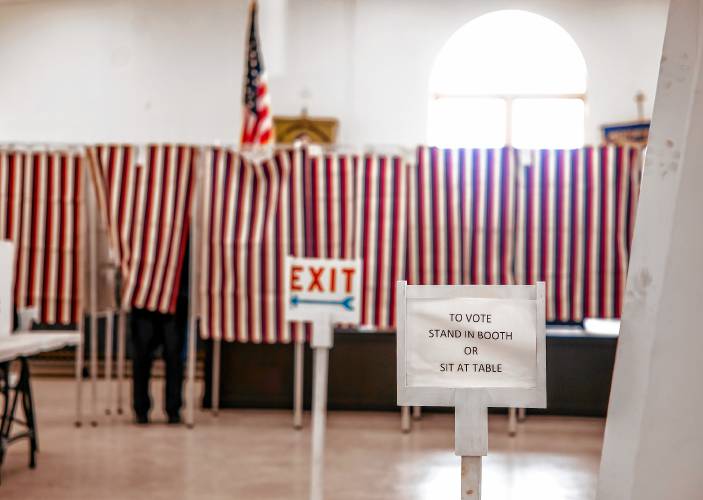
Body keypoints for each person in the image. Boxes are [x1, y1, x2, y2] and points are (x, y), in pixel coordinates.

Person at [130, 244, 189, 424]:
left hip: (172, 297)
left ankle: (171, 409)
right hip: (148, 297)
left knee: (172, 356)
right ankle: (143, 408)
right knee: (144, 356)